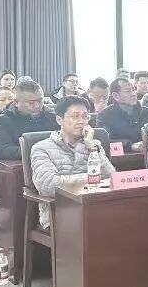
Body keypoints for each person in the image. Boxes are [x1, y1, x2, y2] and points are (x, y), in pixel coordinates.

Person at [30, 96, 115, 230]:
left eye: (85, 117)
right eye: (75, 116)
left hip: (95, 207)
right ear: (59, 119)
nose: (81, 121)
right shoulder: (41, 148)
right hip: (59, 212)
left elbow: (112, 177)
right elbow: (49, 185)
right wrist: (92, 179)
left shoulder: (93, 144)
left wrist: (92, 148)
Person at [0, 80, 59, 161]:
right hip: (24, 163)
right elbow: (3, 150)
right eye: (31, 103)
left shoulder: (52, 117)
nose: (37, 106)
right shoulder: (3, 121)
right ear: (16, 103)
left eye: (40, 101)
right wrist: (39, 151)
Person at [97, 77, 148, 152]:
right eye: (127, 91)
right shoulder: (104, 115)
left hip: (147, 155)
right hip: (119, 157)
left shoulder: (147, 113)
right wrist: (130, 145)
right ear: (116, 96)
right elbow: (104, 142)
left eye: (133, 90)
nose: (133, 94)